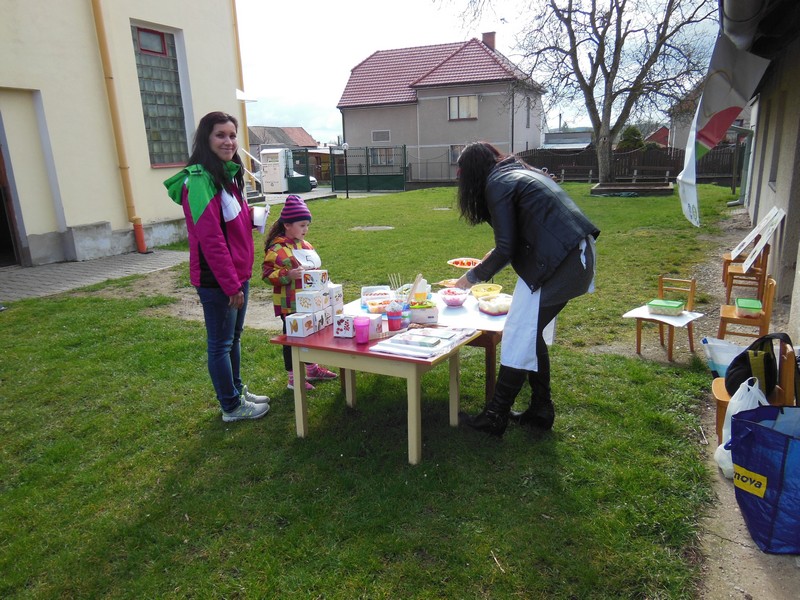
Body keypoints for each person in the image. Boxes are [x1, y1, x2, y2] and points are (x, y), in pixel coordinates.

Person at [454, 141, 600, 436]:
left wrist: (470, 278)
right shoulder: (512, 173)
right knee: (530, 333)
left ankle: (495, 416)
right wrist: (494, 256)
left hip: (564, 263)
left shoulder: (498, 183)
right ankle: (541, 409)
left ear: (472, 172)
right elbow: (520, 234)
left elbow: (506, 248)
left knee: (519, 332)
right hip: (571, 255)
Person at [163, 111, 270, 422]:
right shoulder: (200, 181)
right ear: (206, 139)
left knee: (233, 338)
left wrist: (250, 218)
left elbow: (227, 222)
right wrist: (231, 285)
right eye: (220, 135)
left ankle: (235, 390)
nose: (229, 141)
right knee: (221, 344)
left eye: (232, 135)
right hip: (219, 279)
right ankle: (231, 406)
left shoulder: (227, 174)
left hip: (237, 273)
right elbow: (210, 239)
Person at [262, 195, 338, 391]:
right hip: (290, 305)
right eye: (302, 225)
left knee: (310, 335)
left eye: (307, 225)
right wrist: (287, 274)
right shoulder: (277, 249)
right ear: (287, 225)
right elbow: (267, 275)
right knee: (292, 340)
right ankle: (293, 378)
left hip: (310, 303)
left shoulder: (306, 246)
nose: (306, 229)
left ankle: (312, 369)